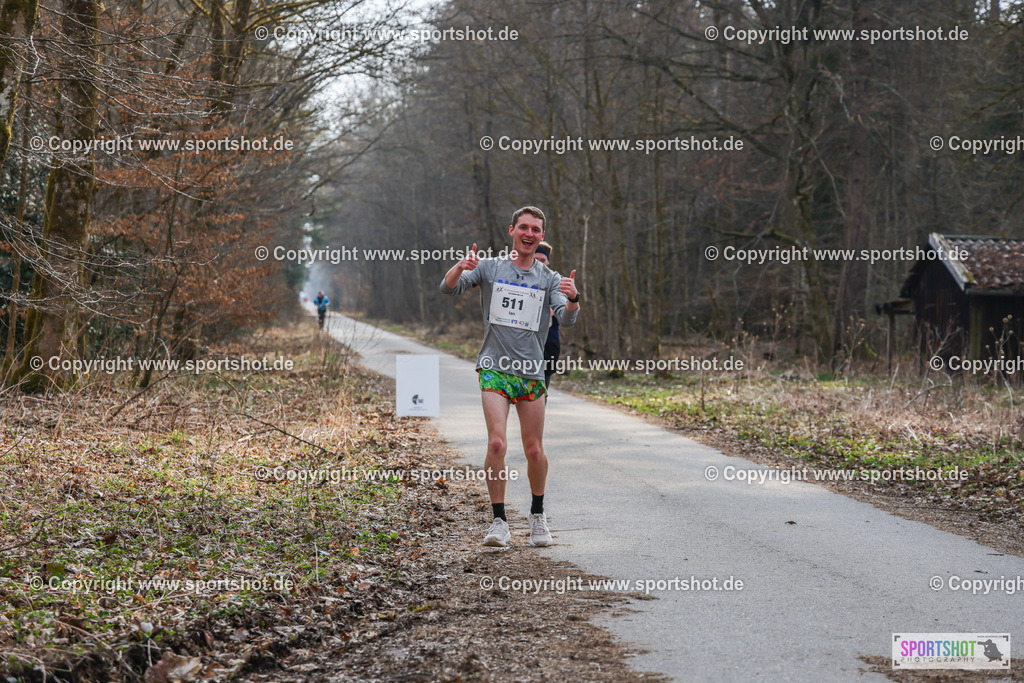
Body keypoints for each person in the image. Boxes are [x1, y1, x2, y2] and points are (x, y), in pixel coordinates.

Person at [440, 206, 580, 547]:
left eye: (536, 229)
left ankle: (537, 515)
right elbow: (448, 288)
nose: (529, 233)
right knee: (497, 443)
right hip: (494, 368)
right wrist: (460, 267)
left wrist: (574, 299)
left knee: (534, 451)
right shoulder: (490, 267)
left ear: (541, 236)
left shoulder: (549, 278)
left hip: (532, 372)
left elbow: (567, 317)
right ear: (512, 230)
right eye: (524, 227)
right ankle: (499, 521)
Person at [532, 242, 560, 390]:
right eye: (536, 259)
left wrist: (556, 308)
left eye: (543, 260)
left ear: (547, 262)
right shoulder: (520, 279)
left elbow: (573, 309)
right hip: (525, 342)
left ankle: (540, 411)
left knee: (543, 388)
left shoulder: (555, 280)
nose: (539, 263)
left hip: (549, 342)